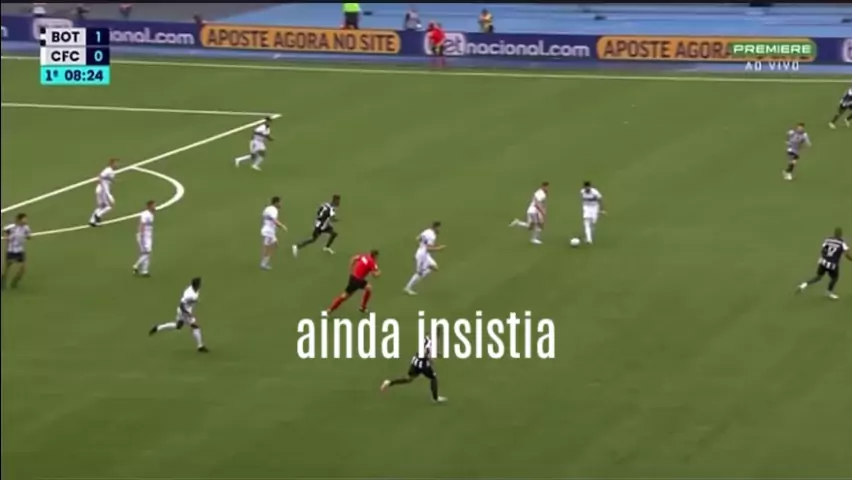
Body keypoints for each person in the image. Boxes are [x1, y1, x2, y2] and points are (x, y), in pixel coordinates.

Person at [380, 333, 447, 403]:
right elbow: (425, 353)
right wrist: (430, 359)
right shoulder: (431, 343)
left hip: (415, 362)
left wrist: (436, 354)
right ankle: (435, 398)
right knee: (433, 378)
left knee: (409, 379)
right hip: (423, 365)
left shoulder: (426, 339)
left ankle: (388, 383)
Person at [149, 277, 208, 352]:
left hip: (182, 311)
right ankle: (200, 346)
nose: (201, 285)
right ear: (196, 285)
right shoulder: (190, 294)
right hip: (184, 312)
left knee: (178, 326)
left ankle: (158, 327)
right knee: (196, 327)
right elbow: (182, 304)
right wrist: (188, 314)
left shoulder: (194, 289)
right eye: (199, 283)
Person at [797, 228, 851, 300]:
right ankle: (828, 292)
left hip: (823, 261)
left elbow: (823, 250)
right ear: (841, 235)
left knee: (818, 277)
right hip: (832, 264)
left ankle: (804, 284)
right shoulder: (842, 243)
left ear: (834, 234)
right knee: (834, 278)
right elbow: (847, 254)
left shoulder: (828, 240)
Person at [404, 221, 445, 295]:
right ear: (435, 227)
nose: (440, 230)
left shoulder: (427, 231)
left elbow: (417, 238)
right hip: (422, 256)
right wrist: (439, 248)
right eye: (439, 228)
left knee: (435, 268)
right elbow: (429, 249)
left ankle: (424, 267)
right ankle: (408, 288)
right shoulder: (432, 236)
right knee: (419, 274)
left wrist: (420, 248)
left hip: (424, 254)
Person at [2, 213, 32, 290]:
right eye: (24, 219)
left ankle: (14, 282)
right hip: (11, 250)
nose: (26, 220)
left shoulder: (26, 228)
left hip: (20, 250)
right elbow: (4, 230)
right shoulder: (12, 227)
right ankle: (2, 282)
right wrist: (6, 237)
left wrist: (28, 236)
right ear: (19, 219)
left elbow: (28, 236)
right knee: (7, 267)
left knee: (23, 268)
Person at [260, 196, 288, 270]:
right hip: (269, 232)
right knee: (269, 247)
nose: (281, 204)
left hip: (268, 230)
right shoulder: (273, 210)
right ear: (276, 203)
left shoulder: (268, 208)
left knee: (274, 245)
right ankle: (263, 264)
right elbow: (274, 221)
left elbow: (264, 216)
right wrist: (282, 226)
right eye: (280, 202)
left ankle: (264, 262)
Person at [89, 158, 118, 227]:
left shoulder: (110, 171)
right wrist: (102, 186)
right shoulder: (108, 170)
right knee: (109, 206)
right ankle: (98, 215)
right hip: (103, 191)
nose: (117, 165)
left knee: (101, 206)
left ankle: (92, 221)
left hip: (100, 190)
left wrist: (112, 180)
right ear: (111, 164)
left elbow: (105, 178)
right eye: (115, 163)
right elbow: (100, 176)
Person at [132, 200, 156, 276]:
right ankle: (136, 265)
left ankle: (144, 270)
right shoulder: (145, 214)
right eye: (153, 205)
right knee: (147, 252)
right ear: (149, 206)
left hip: (148, 236)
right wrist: (141, 235)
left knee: (146, 253)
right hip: (144, 236)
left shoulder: (151, 214)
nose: (155, 207)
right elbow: (142, 224)